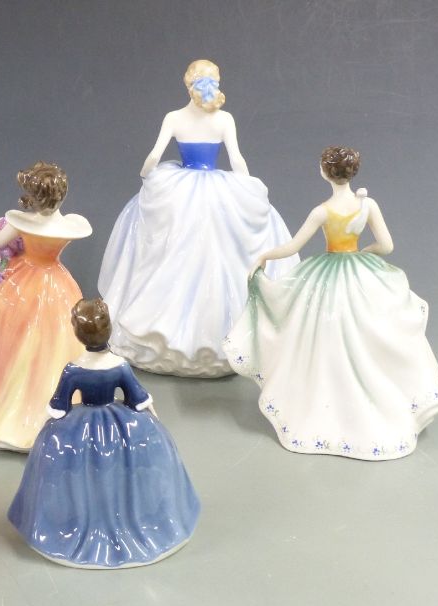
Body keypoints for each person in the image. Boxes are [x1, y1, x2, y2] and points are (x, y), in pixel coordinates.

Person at [223, 146, 438, 460]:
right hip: (360, 272)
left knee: (322, 333)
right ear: (352, 172)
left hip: (327, 276)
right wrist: (364, 255)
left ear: (325, 173)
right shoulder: (368, 204)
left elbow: (293, 247)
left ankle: (327, 403)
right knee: (366, 333)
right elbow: (387, 246)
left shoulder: (323, 211)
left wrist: (263, 256)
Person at [98, 59, 298, 377]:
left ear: (187, 84)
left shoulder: (174, 117)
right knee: (217, 253)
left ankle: (164, 329)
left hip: (178, 189)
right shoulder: (224, 119)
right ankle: (221, 337)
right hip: (215, 190)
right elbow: (237, 159)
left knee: (173, 251)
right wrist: (249, 188)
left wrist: (147, 176)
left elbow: (154, 156)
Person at [8, 298, 200, 568]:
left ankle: (76, 521)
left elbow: (59, 406)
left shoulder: (74, 369)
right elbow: (138, 399)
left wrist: (41, 427)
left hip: (79, 429)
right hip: (123, 426)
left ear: (77, 333)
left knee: (73, 466)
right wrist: (154, 420)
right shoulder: (119, 365)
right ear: (108, 330)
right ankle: (133, 517)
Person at [0, 162, 92, 451]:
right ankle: (45, 400)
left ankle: (7, 406)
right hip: (58, 283)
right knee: (53, 345)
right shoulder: (68, 226)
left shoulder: (21, 222)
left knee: (12, 343)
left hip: (23, 282)